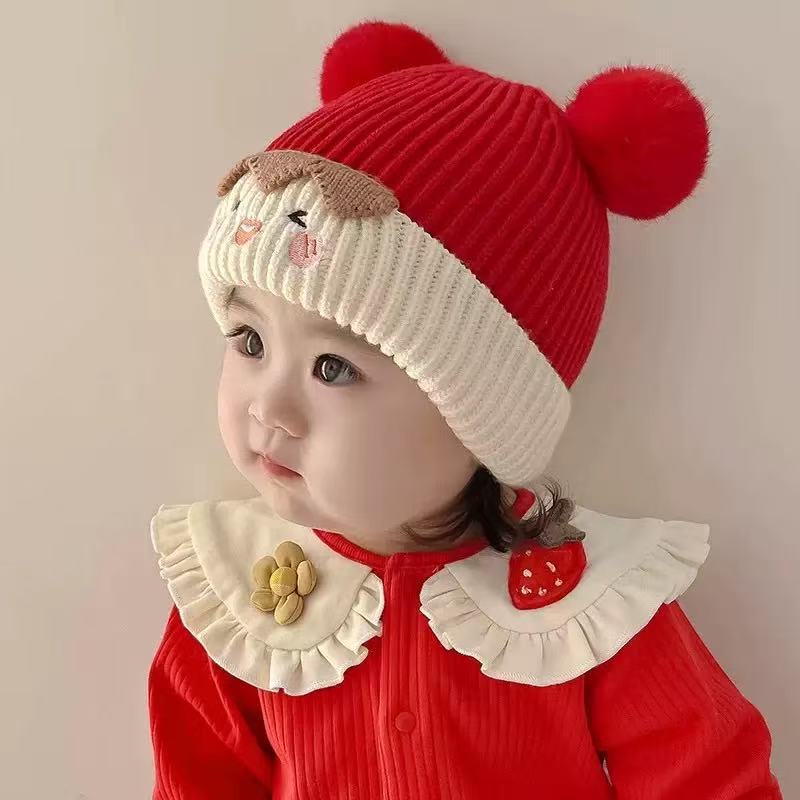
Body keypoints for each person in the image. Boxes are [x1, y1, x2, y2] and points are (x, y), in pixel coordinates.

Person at [147, 19, 783, 799]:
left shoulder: (589, 605)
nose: (269, 408)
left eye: (334, 367)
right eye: (249, 340)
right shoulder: (231, 598)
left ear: (481, 409)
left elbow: (712, 781)